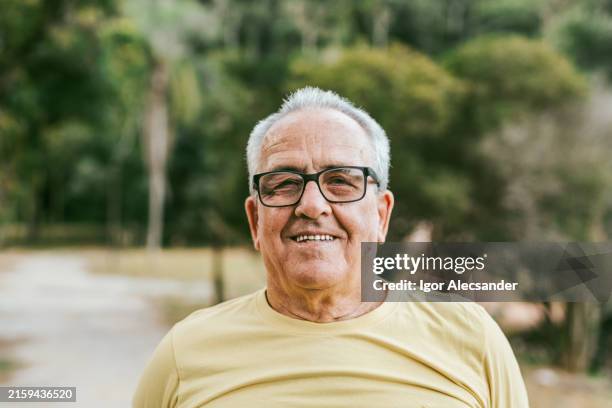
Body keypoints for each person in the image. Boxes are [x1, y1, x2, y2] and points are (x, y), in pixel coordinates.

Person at [133, 87, 529, 407]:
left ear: (381, 215)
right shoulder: (186, 353)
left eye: (341, 180)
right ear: (255, 220)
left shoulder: (471, 338)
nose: (311, 206)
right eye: (284, 183)